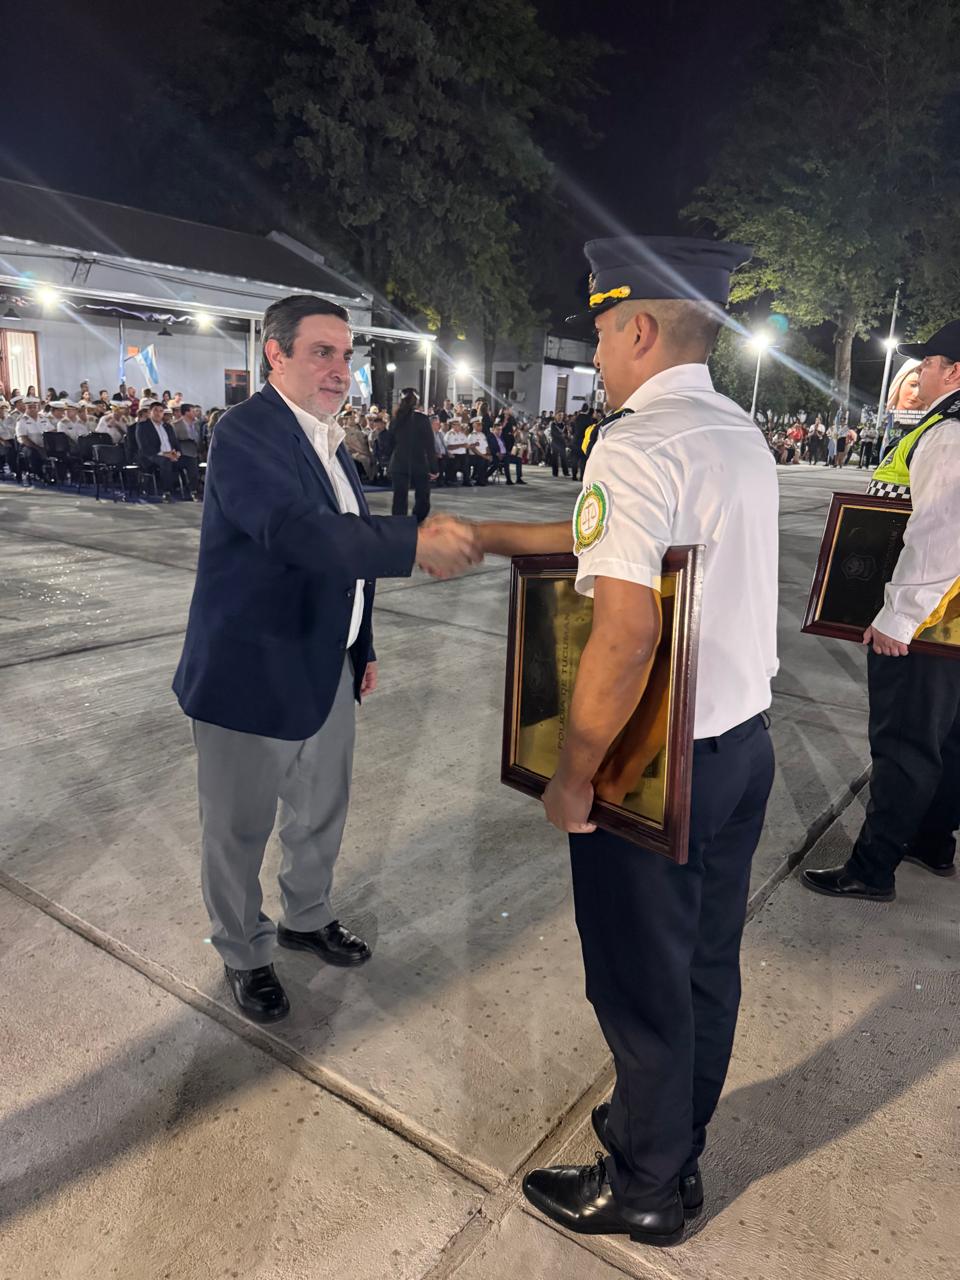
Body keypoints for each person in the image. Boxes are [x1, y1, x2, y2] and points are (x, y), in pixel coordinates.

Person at [475, 235, 778, 1247]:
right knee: (705, 966)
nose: (597, 354)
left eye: (602, 334)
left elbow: (628, 629)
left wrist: (575, 772)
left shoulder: (637, 444)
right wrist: (489, 537)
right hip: (742, 746)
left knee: (640, 983)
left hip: (657, 766)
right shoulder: (737, 431)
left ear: (640, 328)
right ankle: (673, 1144)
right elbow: (621, 546)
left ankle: (645, 1185)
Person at [173, 295, 480, 1024]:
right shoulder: (247, 432)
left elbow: (347, 564)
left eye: (346, 355)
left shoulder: (329, 441)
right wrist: (414, 543)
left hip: (328, 662)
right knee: (238, 829)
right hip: (251, 673)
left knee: (320, 810)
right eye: (322, 352)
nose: (341, 369)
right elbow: (298, 533)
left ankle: (305, 917)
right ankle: (244, 951)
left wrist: (360, 645)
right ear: (275, 355)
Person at [804, 320, 960, 901]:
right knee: (947, 740)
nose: (920, 372)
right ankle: (931, 841)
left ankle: (871, 869)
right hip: (949, 621)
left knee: (904, 746)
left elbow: (940, 531)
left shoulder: (949, 432)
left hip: (927, 622)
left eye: (930, 363)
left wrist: (899, 616)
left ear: (955, 372)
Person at [387, 387, 437, 521]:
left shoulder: (396, 419)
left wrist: (389, 460)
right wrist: (434, 467)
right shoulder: (422, 419)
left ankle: (400, 524)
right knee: (423, 497)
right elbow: (429, 445)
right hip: (419, 463)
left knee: (399, 498)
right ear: (417, 402)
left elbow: (389, 443)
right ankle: (417, 521)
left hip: (399, 462)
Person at [136, 401, 201, 501]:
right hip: (152, 456)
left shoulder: (167, 426)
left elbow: (175, 443)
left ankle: (194, 491)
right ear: (150, 412)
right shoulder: (143, 426)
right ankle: (167, 492)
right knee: (165, 461)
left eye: (161, 411)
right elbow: (144, 447)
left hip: (171, 455)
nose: (158, 413)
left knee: (191, 461)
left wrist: (177, 453)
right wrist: (165, 454)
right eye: (155, 410)